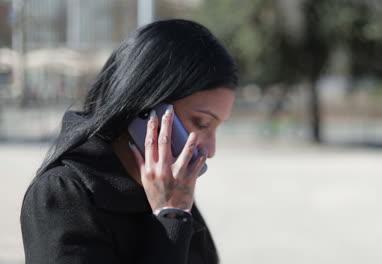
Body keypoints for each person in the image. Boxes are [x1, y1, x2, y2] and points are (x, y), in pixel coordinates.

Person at [20, 19, 238, 264]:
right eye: (202, 123)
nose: (210, 150)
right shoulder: (63, 194)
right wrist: (170, 219)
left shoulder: (171, 189)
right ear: (147, 109)